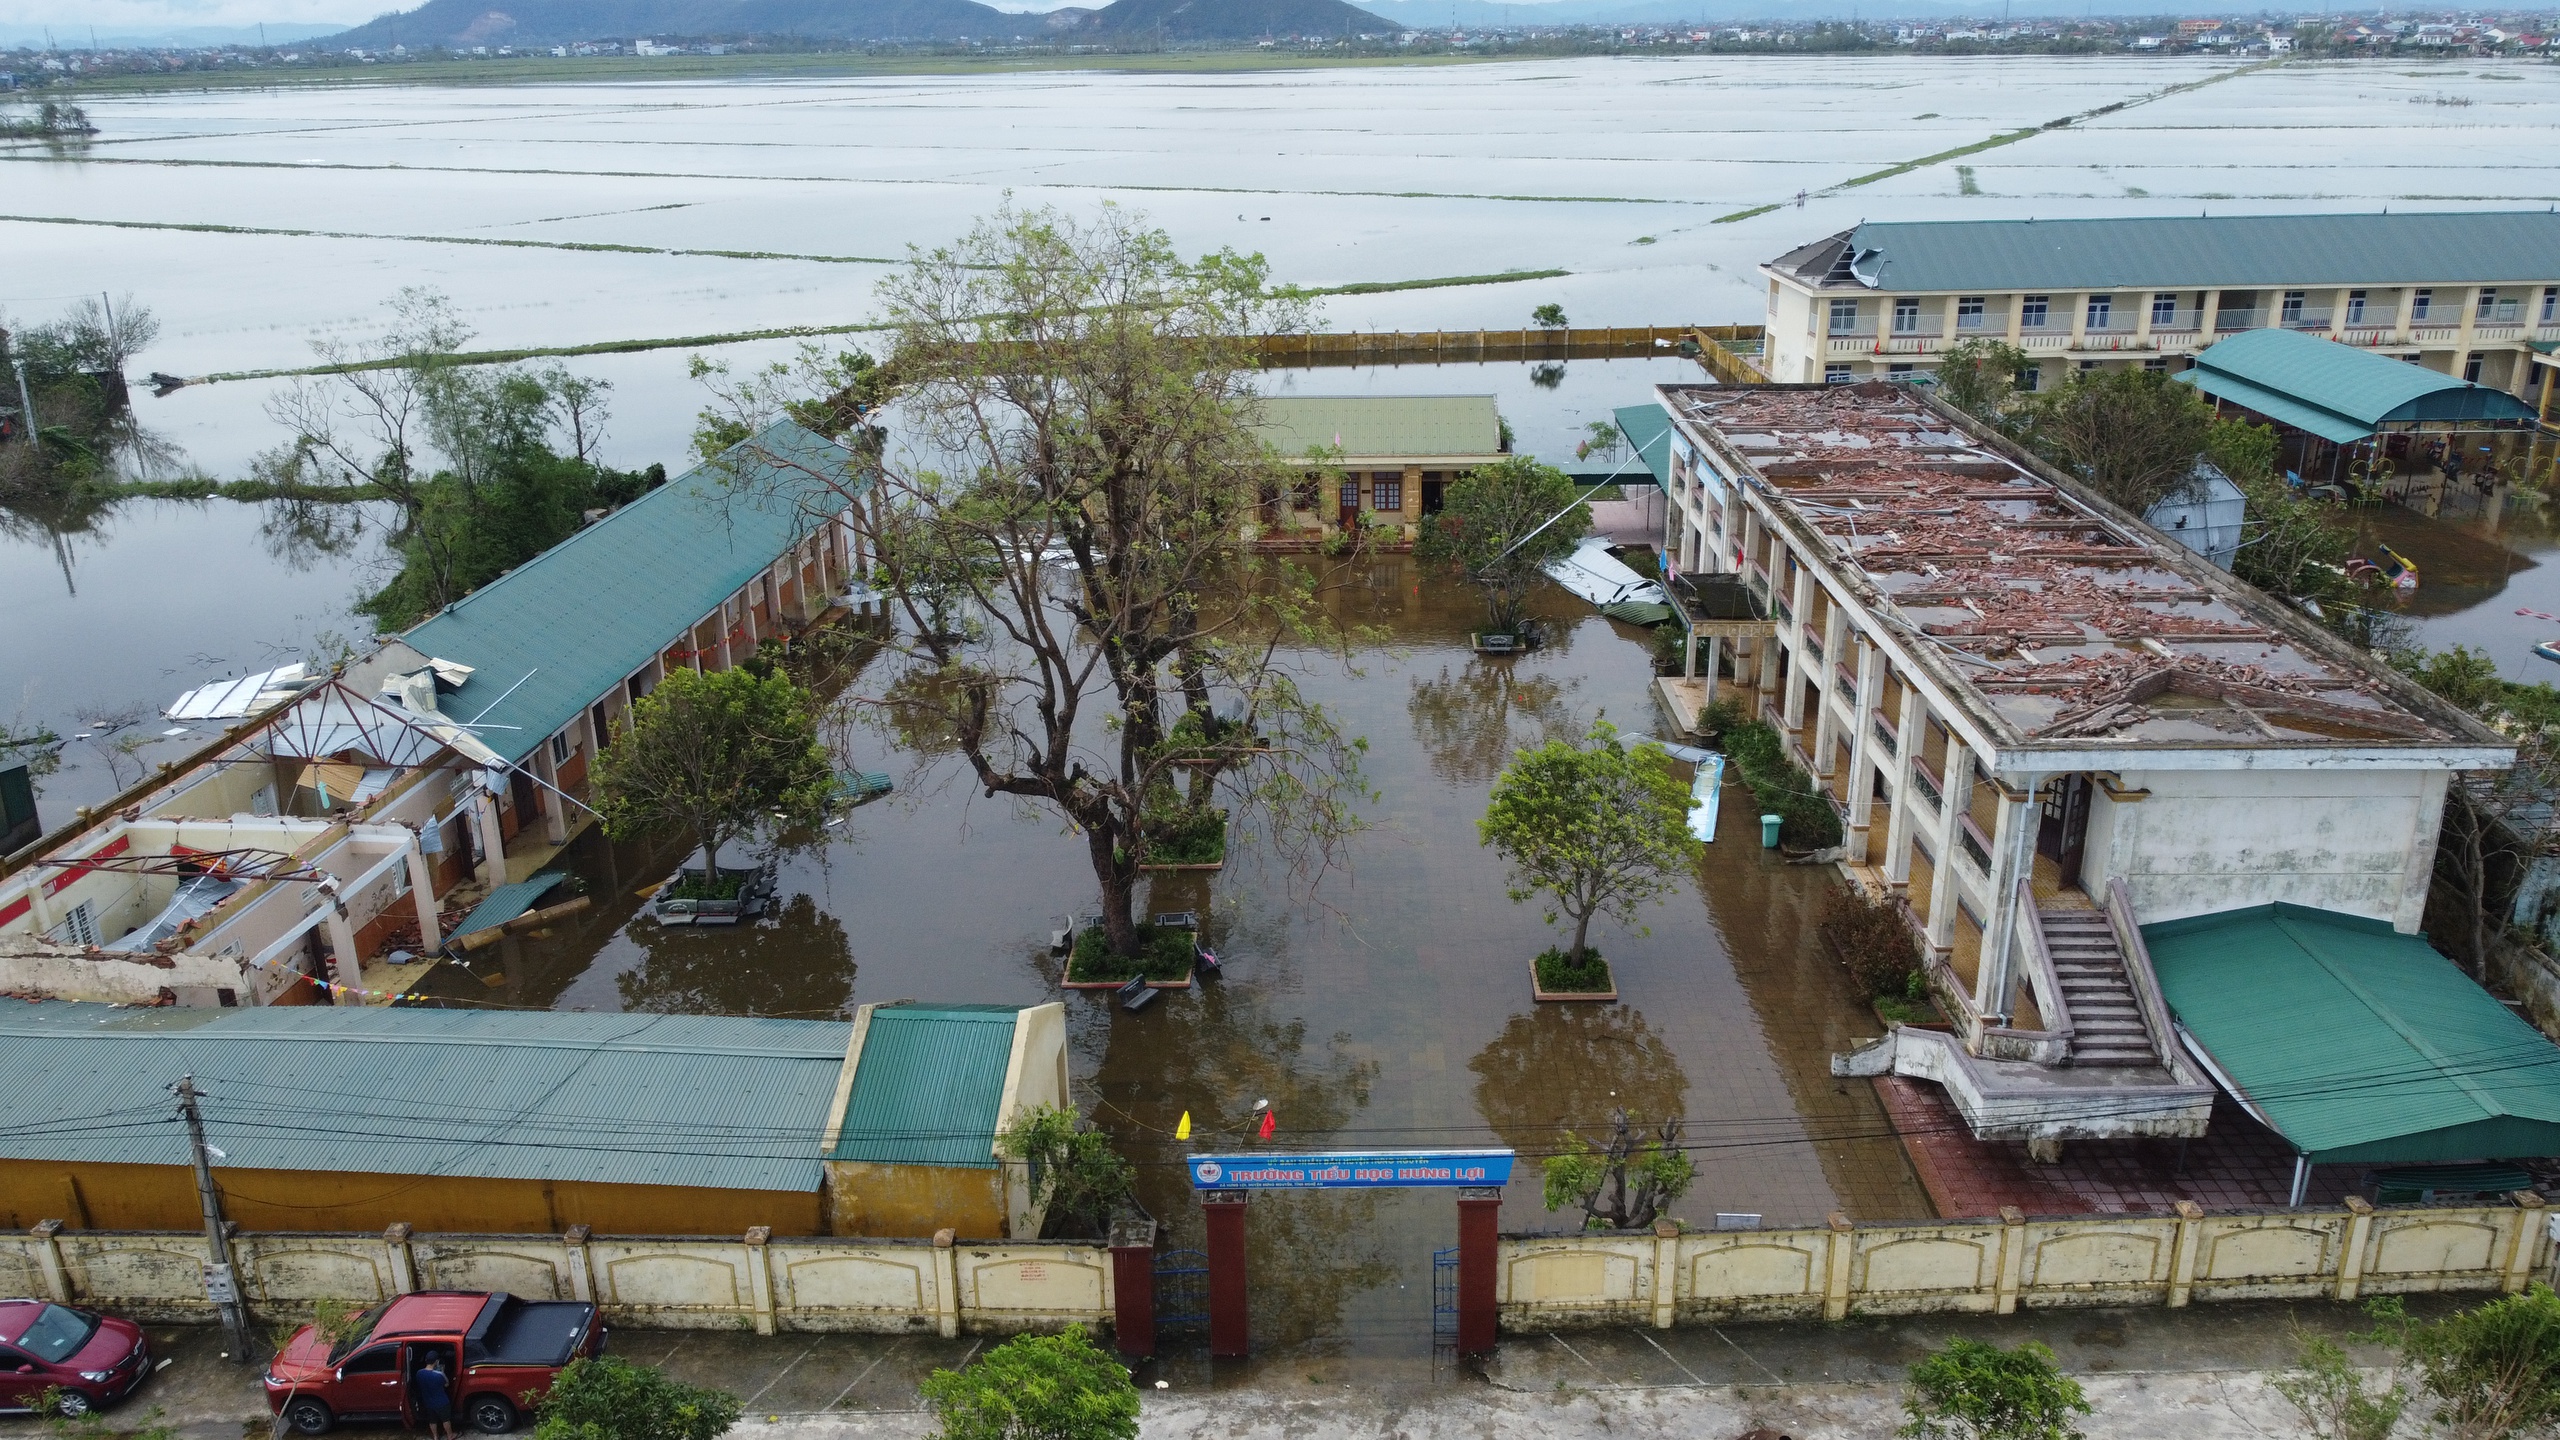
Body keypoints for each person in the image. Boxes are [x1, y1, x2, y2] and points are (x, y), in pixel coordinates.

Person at [413, 1352, 454, 1440]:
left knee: (432, 1420)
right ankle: (450, 1436)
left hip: (428, 1402)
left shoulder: (419, 1373)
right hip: (442, 1402)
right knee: (446, 1420)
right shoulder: (439, 1374)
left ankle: (435, 1436)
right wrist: (442, 1371)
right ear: (436, 1361)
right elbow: (447, 1384)